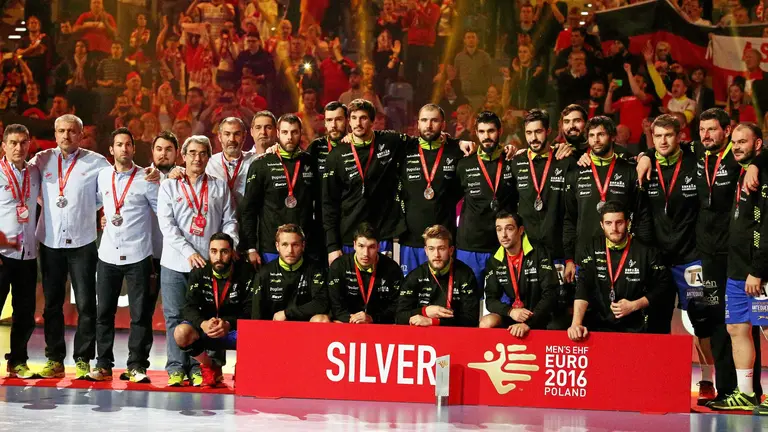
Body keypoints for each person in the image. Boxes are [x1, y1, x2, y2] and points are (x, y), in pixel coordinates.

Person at [30, 114, 111, 379]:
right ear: (55, 134)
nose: (66, 136)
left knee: (87, 303)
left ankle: (83, 359)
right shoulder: (41, 160)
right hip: (51, 242)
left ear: (81, 134)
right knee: (52, 304)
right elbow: (21, 177)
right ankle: (54, 359)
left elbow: (109, 193)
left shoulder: (97, 163)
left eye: (72, 131)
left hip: (83, 241)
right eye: (61, 131)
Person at [157, 135, 238, 387]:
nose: (197, 158)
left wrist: (228, 247)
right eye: (192, 153)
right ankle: (175, 368)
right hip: (175, 261)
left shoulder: (219, 186)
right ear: (183, 156)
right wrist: (187, 252)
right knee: (173, 317)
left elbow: (230, 220)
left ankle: (200, 368)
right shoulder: (169, 186)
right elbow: (167, 225)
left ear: (208, 156)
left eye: (203, 153)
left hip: (210, 265)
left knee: (210, 317)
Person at [89, 128, 159, 383]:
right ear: (111, 149)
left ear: (133, 148)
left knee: (140, 315)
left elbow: (163, 211)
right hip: (107, 254)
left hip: (138, 254)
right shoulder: (102, 176)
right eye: (119, 144)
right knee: (104, 312)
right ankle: (104, 364)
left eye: (128, 144)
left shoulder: (146, 179)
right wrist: (102, 216)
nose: (124, 149)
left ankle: (137, 366)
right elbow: (96, 203)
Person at [709, 123, 768, 413]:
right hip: (736, 269)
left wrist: (758, 269)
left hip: (759, 270)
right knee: (736, 328)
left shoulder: (763, 173)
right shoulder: (741, 170)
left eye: (744, 141)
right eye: (735, 142)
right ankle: (745, 394)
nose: (738, 146)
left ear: (758, 144)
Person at [568, 201, 672, 341]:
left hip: (635, 329)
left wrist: (634, 305)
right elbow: (583, 286)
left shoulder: (645, 251)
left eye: (619, 223)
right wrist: (576, 324)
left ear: (628, 223)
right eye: (609, 223)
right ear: (602, 225)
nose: (614, 228)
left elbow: (663, 286)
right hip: (598, 327)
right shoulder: (591, 248)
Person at [511, 109, 577, 328]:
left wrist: (569, 257)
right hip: (529, 254)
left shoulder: (565, 160)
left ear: (548, 131)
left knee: (559, 315)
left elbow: (570, 213)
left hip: (557, 252)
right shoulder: (517, 162)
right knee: (531, 312)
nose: (533, 138)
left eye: (538, 131)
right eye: (529, 132)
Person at [564, 116, 652, 264]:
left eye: (601, 134)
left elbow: (642, 215)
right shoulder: (576, 172)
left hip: (624, 256)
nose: (596, 140)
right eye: (591, 135)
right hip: (586, 256)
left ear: (612, 137)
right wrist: (569, 259)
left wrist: (642, 253)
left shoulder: (630, 170)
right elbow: (570, 219)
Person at [174, 232, 253, 387]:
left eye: (224, 251)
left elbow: (251, 310)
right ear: (209, 251)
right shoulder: (199, 271)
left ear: (232, 252)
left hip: (234, 330)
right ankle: (210, 366)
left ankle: (243, 367)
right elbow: (188, 307)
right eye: (214, 251)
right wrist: (202, 323)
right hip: (207, 329)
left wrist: (228, 323)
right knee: (181, 333)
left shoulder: (246, 272)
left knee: (258, 329)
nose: (218, 257)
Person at [242, 114, 321, 266]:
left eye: (294, 132)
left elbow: (320, 206)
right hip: (271, 247)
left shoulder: (310, 162)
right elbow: (249, 210)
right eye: (285, 132)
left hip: (305, 246)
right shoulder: (261, 164)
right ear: (278, 133)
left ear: (301, 132)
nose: (289, 137)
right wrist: (251, 247)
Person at [398, 104, 464, 274]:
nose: (428, 125)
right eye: (424, 120)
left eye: (434, 120)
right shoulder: (404, 149)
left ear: (443, 125)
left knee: (444, 294)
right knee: (412, 294)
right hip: (412, 241)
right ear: (417, 123)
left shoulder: (456, 151)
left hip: (443, 242)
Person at [456, 111, 518, 287]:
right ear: (476, 133)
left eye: (491, 131)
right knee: (468, 304)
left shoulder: (511, 162)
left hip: (502, 246)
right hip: (469, 246)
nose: (486, 137)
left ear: (500, 131)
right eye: (482, 132)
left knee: (500, 305)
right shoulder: (464, 164)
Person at [0, 125, 40, 378]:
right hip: (2, 254)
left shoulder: (35, 172)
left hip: (28, 254)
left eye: (23, 142)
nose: (18, 147)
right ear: (3, 145)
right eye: (13, 142)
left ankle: (18, 361)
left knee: (25, 313)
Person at [480, 211, 559, 336]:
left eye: (509, 229)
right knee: (486, 322)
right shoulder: (495, 259)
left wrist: (529, 323)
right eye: (499, 230)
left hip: (540, 314)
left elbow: (551, 293)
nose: (504, 235)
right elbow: (490, 300)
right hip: (515, 314)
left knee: (556, 324)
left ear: (520, 230)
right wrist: (510, 311)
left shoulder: (539, 252)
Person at [396, 225, 479, 327]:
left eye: (441, 248)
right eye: (431, 249)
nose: (436, 254)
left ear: (451, 250)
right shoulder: (415, 276)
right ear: (426, 251)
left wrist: (435, 322)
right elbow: (399, 317)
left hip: (455, 336)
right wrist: (425, 311)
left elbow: (472, 320)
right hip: (421, 337)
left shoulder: (465, 275)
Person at [250, 224, 329, 322]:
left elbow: (321, 303)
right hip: (275, 329)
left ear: (303, 246)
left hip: (305, 328)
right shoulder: (264, 273)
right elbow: (256, 315)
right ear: (277, 246)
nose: (290, 250)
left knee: (322, 319)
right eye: (285, 244)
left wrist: (287, 313)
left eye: (295, 245)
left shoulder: (316, 269)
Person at [327, 223, 403, 324]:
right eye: (361, 246)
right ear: (354, 245)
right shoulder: (339, 266)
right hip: (347, 321)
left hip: (378, 323)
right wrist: (353, 320)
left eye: (371, 247)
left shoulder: (392, 268)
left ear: (378, 247)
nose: (365, 253)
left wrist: (372, 319)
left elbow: (397, 306)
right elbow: (335, 305)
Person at [205, 117, 257, 206]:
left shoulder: (254, 161)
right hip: (218, 218)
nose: (232, 139)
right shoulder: (208, 163)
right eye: (227, 134)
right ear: (219, 136)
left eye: (237, 134)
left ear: (244, 136)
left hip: (248, 218)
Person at [306, 101, 346, 174]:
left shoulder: (354, 145)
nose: (333, 125)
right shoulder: (315, 146)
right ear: (325, 123)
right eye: (329, 120)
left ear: (347, 120)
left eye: (338, 119)